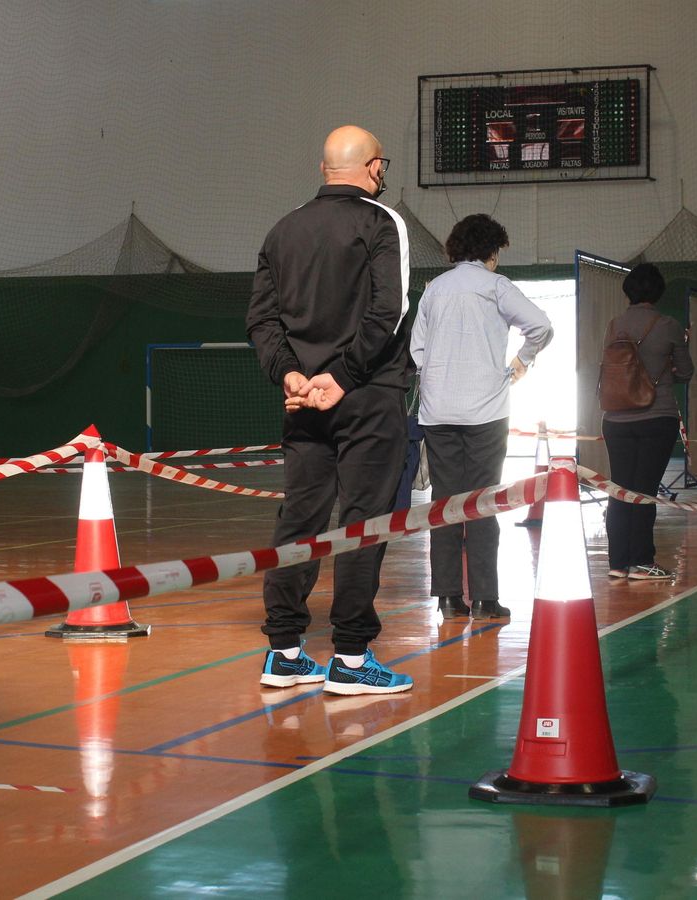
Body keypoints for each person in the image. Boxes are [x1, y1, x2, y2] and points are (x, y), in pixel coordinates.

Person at [246, 125, 414, 696]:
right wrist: (341, 379)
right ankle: (349, 657)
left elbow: (262, 321)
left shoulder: (282, 229)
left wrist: (290, 375)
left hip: (303, 401)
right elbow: (388, 312)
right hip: (366, 396)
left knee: (300, 518)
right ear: (373, 168)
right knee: (363, 522)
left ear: (324, 170)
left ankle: (284, 652)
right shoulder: (382, 222)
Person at [411, 214, 553, 619]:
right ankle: (487, 599)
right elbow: (540, 326)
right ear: (491, 251)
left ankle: (448, 598)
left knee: (444, 504)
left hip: (437, 413)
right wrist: (519, 363)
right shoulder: (495, 286)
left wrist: (438, 378)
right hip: (486, 412)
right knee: (483, 502)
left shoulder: (434, 289)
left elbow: (417, 351)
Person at [601, 263, 692, 580]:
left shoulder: (615, 326)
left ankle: (617, 563)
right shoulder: (668, 325)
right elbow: (687, 371)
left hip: (615, 419)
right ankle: (641, 561)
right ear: (658, 291)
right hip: (656, 416)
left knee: (620, 489)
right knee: (644, 491)